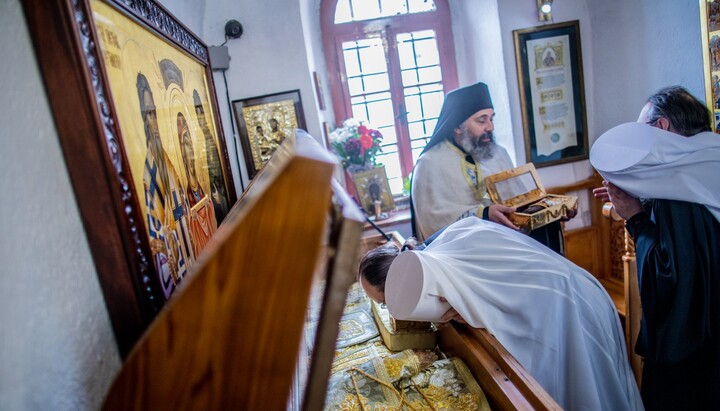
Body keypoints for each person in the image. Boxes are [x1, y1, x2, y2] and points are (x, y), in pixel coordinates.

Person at [358, 217, 643, 410]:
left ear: (399, 284)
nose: (388, 309)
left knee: (588, 387)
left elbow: (522, 296)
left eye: (385, 302)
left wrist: (477, 310)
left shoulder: (451, 258)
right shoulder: (441, 248)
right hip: (569, 296)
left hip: (570, 308)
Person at [591, 86, 720, 410]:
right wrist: (645, 202)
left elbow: (668, 275)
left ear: (660, 127)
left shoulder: (675, 183)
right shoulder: (710, 157)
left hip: (689, 354)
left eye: (641, 130)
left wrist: (635, 217)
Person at [411, 82, 571, 253]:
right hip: (465, 257)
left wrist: (551, 212)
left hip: (510, 249)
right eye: (482, 120)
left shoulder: (498, 153)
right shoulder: (429, 164)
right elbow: (434, 223)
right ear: (457, 126)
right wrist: (484, 214)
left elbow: (519, 202)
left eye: (491, 118)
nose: (490, 127)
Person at [137, 73, 194, 298]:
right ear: (143, 121)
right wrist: (170, 239)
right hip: (175, 259)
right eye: (148, 114)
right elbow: (156, 237)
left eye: (154, 112)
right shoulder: (149, 173)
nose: (154, 120)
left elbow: (182, 203)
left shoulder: (166, 161)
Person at [177, 112, 218, 258]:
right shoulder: (185, 193)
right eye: (186, 144)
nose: (192, 149)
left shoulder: (201, 185)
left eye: (191, 143)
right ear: (182, 151)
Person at [193, 90, 229, 223]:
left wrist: (220, 198)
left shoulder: (210, 138)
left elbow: (216, 170)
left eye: (201, 113)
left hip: (217, 191)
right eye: (197, 115)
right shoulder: (197, 140)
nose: (200, 119)